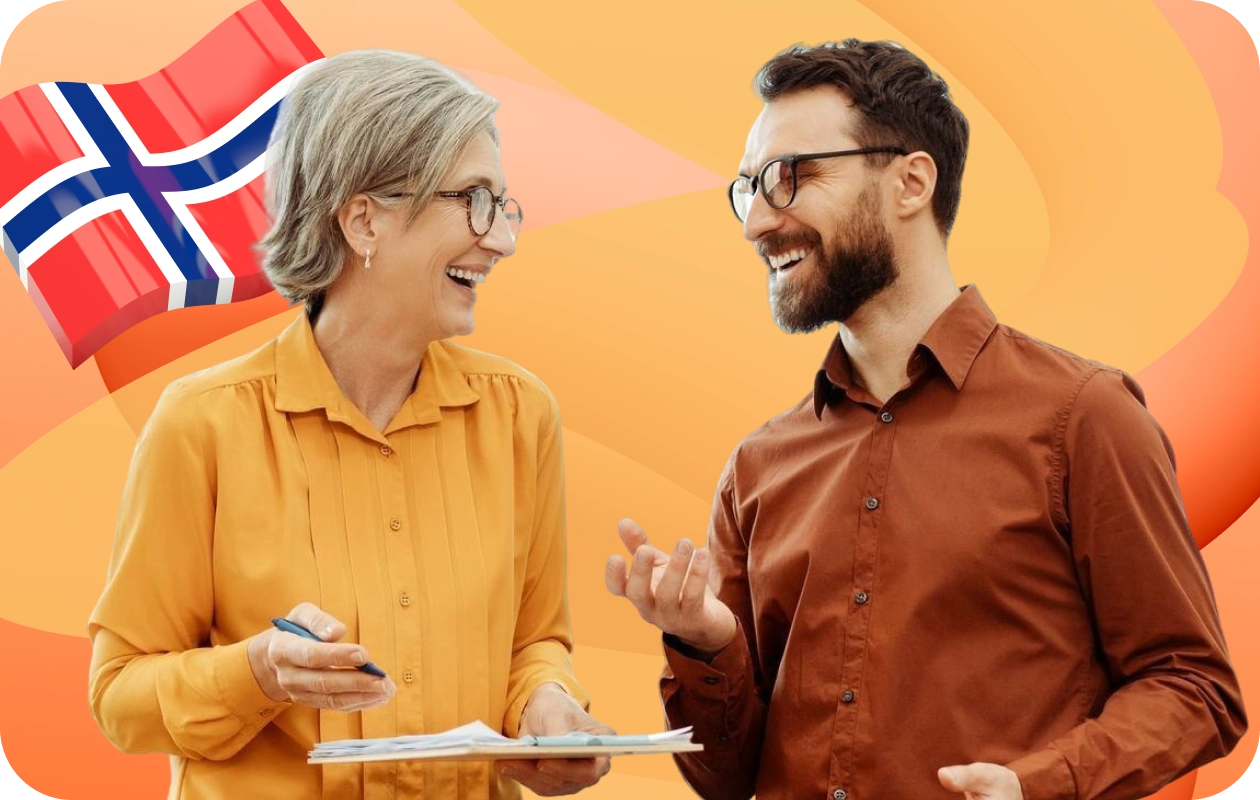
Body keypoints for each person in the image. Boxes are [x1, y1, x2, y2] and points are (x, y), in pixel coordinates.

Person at [606, 39, 1247, 800]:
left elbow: (1194, 689)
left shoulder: (1085, 418)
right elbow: (724, 776)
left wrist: (1034, 785)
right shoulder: (758, 467)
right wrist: (705, 642)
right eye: (749, 189)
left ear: (911, 182)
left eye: (791, 178)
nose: (757, 223)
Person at [88, 49, 612, 800]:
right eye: (472, 200)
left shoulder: (519, 414)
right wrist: (257, 671)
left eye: (503, 207)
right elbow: (118, 697)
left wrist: (547, 705)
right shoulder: (201, 424)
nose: (500, 239)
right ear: (364, 218)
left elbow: (534, 642)